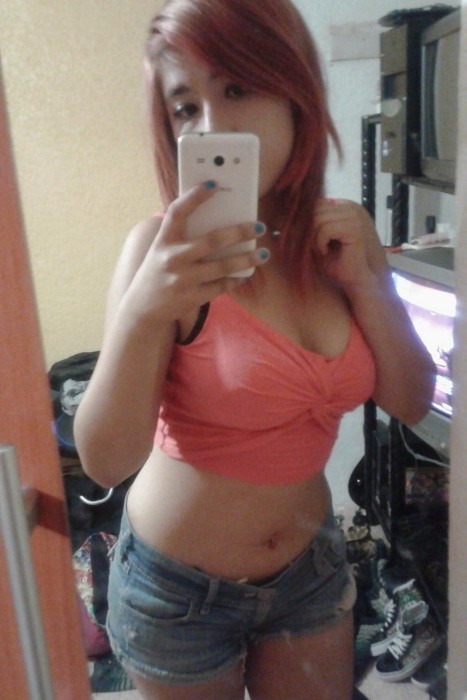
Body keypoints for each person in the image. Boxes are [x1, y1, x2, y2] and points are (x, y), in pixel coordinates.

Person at [74, 1, 435, 698]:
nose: (211, 126)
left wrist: (370, 283)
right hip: (176, 593)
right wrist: (146, 309)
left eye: (235, 87)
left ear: (294, 88)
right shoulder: (158, 254)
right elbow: (105, 459)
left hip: (309, 570)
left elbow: (411, 399)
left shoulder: (338, 239)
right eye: (185, 108)